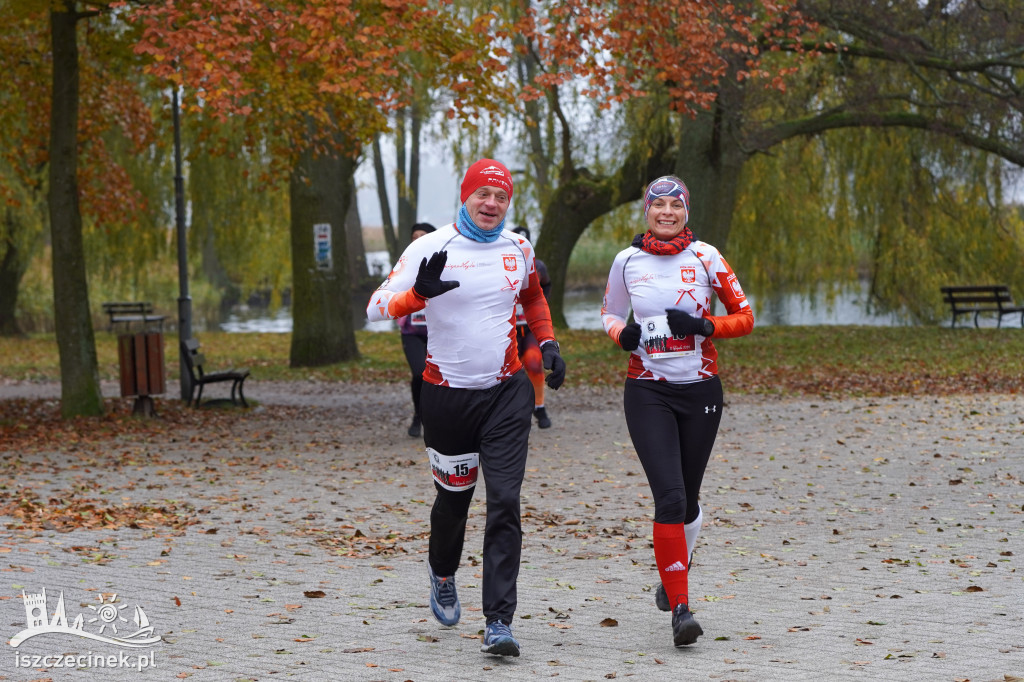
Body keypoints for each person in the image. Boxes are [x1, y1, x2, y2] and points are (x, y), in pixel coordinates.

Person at [366, 158, 566, 658]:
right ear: (466, 195)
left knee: (504, 504)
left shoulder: (518, 246)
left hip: (506, 393)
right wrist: (415, 296)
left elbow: (534, 298)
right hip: (447, 396)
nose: (492, 205)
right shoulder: (429, 247)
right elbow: (374, 306)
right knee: (453, 505)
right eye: (483, 195)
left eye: (501, 197)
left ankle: (498, 621)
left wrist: (549, 343)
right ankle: (442, 572)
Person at [600, 175, 754, 647]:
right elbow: (609, 313)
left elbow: (744, 317)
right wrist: (619, 334)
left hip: (701, 390)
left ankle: (672, 573)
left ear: (687, 212)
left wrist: (705, 325)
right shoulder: (626, 260)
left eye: (676, 205)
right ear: (646, 211)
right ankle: (681, 608)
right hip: (647, 390)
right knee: (668, 497)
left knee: (687, 499)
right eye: (658, 204)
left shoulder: (706, 256)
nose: (667, 212)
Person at [511, 225, 553, 428]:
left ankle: (539, 407)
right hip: (506, 328)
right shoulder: (499, 263)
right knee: (508, 370)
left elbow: (546, 284)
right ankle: (510, 411)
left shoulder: (539, 266)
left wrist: (543, 305)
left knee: (534, 363)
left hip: (528, 327)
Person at [397, 222, 436, 438]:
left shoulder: (446, 263)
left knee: (438, 375)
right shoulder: (404, 264)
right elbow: (391, 291)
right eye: (414, 236)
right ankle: (418, 416)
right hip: (411, 331)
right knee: (419, 373)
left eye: (422, 235)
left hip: (438, 331)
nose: (417, 239)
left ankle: (435, 417)